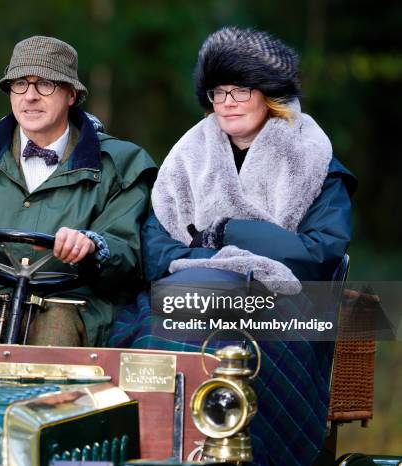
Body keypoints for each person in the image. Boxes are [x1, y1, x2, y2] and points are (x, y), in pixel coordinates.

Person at [115, 27, 356, 466]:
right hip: (190, 293)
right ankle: (152, 454)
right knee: (149, 336)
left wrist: (229, 233)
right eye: (217, 91)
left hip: (283, 304)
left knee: (226, 348)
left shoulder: (317, 165)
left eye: (241, 89)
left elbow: (319, 254)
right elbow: (156, 247)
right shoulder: (186, 161)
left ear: (270, 94)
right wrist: (212, 262)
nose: (226, 102)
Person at [0, 36, 157, 347]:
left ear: (71, 95)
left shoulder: (121, 165)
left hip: (74, 307)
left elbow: (130, 251)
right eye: (20, 84)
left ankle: (52, 398)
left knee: (57, 324)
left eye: (45, 84)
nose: (30, 97)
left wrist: (93, 247)